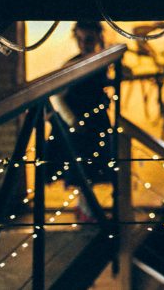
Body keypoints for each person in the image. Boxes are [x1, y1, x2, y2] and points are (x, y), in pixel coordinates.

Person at [47, 21, 115, 220]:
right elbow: (58, 96)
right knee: (82, 167)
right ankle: (87, 210)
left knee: (91, 168)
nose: (84, 44)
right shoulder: (73, 64)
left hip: (95, 121)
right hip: (79, 124)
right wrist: (72, 121)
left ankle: (86, 209)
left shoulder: (100, 61)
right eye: (81, 39)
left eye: (89, 39)